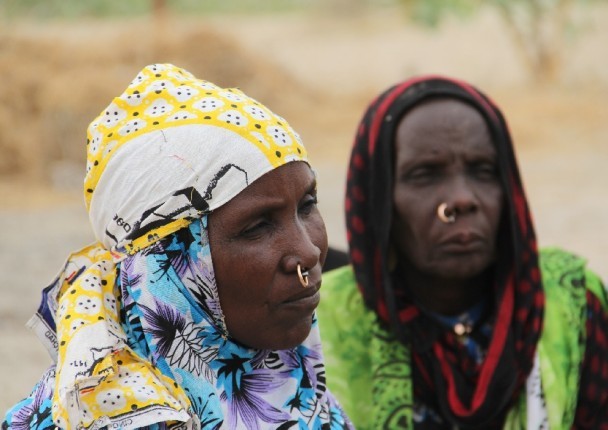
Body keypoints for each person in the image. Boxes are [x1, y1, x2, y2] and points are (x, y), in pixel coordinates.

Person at [3, 64, 353, 430]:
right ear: (166, 264)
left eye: (307, 205)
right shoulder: (96, 418)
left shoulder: (306, 396)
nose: (309, 253)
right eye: (257, 227)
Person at [317, 76, 608, 429]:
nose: (461, 199)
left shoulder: (575, 305)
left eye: (483, 171)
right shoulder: (315, 330)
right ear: (378, 202)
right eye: (425, 174)